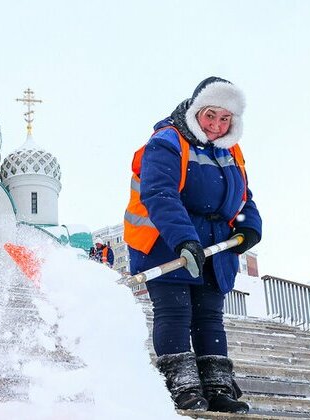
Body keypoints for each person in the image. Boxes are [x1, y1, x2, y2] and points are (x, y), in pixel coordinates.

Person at [123, 77, 262, 413]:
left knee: (210, 318)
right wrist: (184, 239)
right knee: (175, 312)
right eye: (210, 115)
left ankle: (217, 387)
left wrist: (250, 227)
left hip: (215, 249)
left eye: (225, 119)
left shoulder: (231, 151)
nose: (216, 125)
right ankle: (182, 385)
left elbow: (245, 197)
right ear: (197, 110)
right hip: (166, 243)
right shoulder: (168, 141)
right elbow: (159, 193)